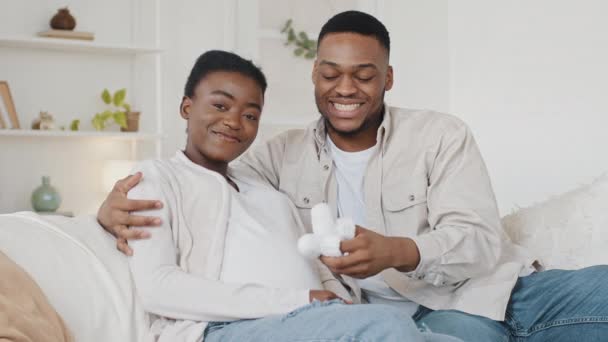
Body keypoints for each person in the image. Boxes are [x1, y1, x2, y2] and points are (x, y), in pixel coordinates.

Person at [99, 11, 608, 342]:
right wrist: (107, 211)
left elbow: (478, 241)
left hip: (493, 290)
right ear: (314, 76)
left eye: (364, 75)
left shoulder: (439, 135)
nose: (345, 88)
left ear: (387, 78)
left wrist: (398, 251)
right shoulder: (273, 158)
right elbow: (205, 182)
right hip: (415, 320)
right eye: (330, 74)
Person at [125, 49, 458, 342]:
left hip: (311, 319)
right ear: (187, 106)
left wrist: (339, 301)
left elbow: (315, 266)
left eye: (250, 115)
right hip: (221, 329)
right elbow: (158, 287)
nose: (233, 122)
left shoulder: (263, 188)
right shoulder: (155, 178)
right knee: (385, 328)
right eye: (220, 105)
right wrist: (302, 300)